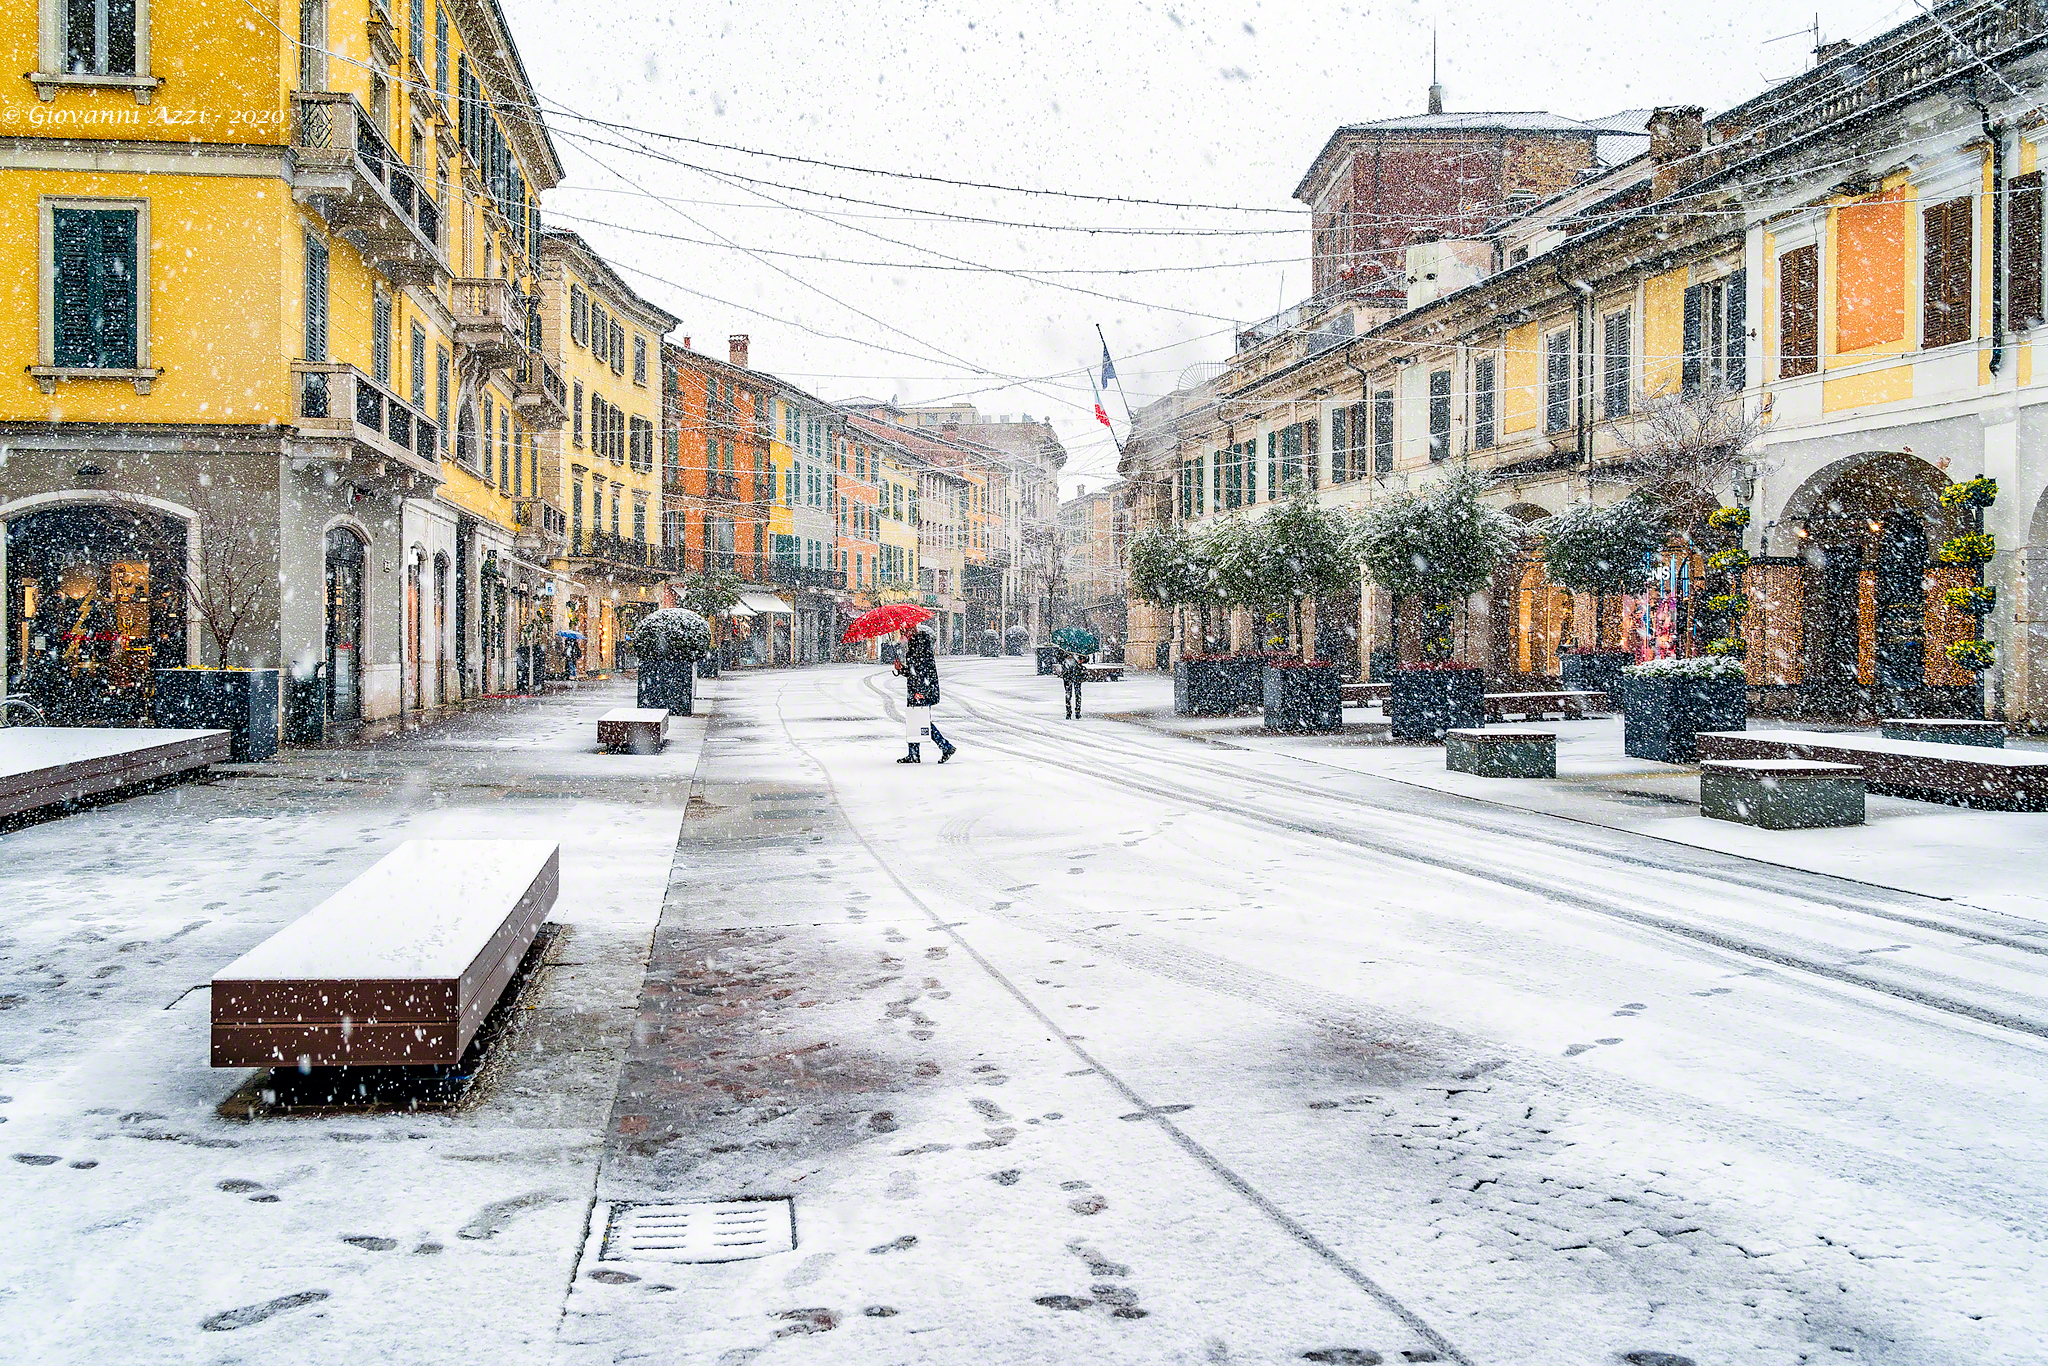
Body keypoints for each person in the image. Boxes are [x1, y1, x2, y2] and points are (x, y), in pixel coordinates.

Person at [891, 625, 957, 764]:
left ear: (911, 630)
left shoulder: (919, 646)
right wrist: (901, 668)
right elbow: (913, 672)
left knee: (921, 720)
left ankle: (945, 747)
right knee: (916, 720)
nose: (902, 635)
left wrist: (920, 692)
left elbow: (922, 672)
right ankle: (915, 754)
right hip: (919, 688)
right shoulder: (916, 644)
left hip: (921, 690)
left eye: (904, 632)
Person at [1058, 648, 1084, 719]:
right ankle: (1068, 712)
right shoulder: (1063, 647)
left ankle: (1077, 712)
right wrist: (1066, 657)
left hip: (1077, 674)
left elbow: (1086, 657)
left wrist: (1081, 660)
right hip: (1067, 674)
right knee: (1068, 694)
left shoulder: (1079, 648)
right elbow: (1058, 658)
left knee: (1077, 693)